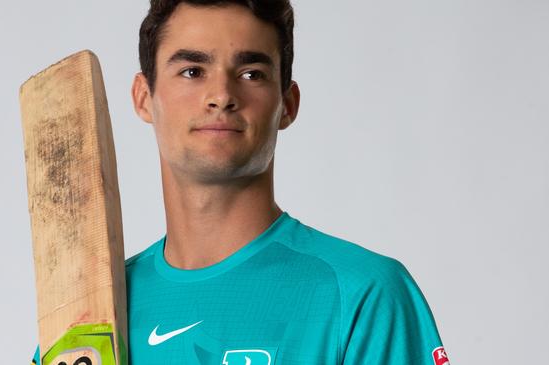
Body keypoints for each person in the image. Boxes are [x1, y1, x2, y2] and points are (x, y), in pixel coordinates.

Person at [32, 0, 449, 364]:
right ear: (144, 98)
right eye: (192, 71)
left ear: (287, 104)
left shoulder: (362, 295)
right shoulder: (87, 313)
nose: (221, 95)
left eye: (251, 73)